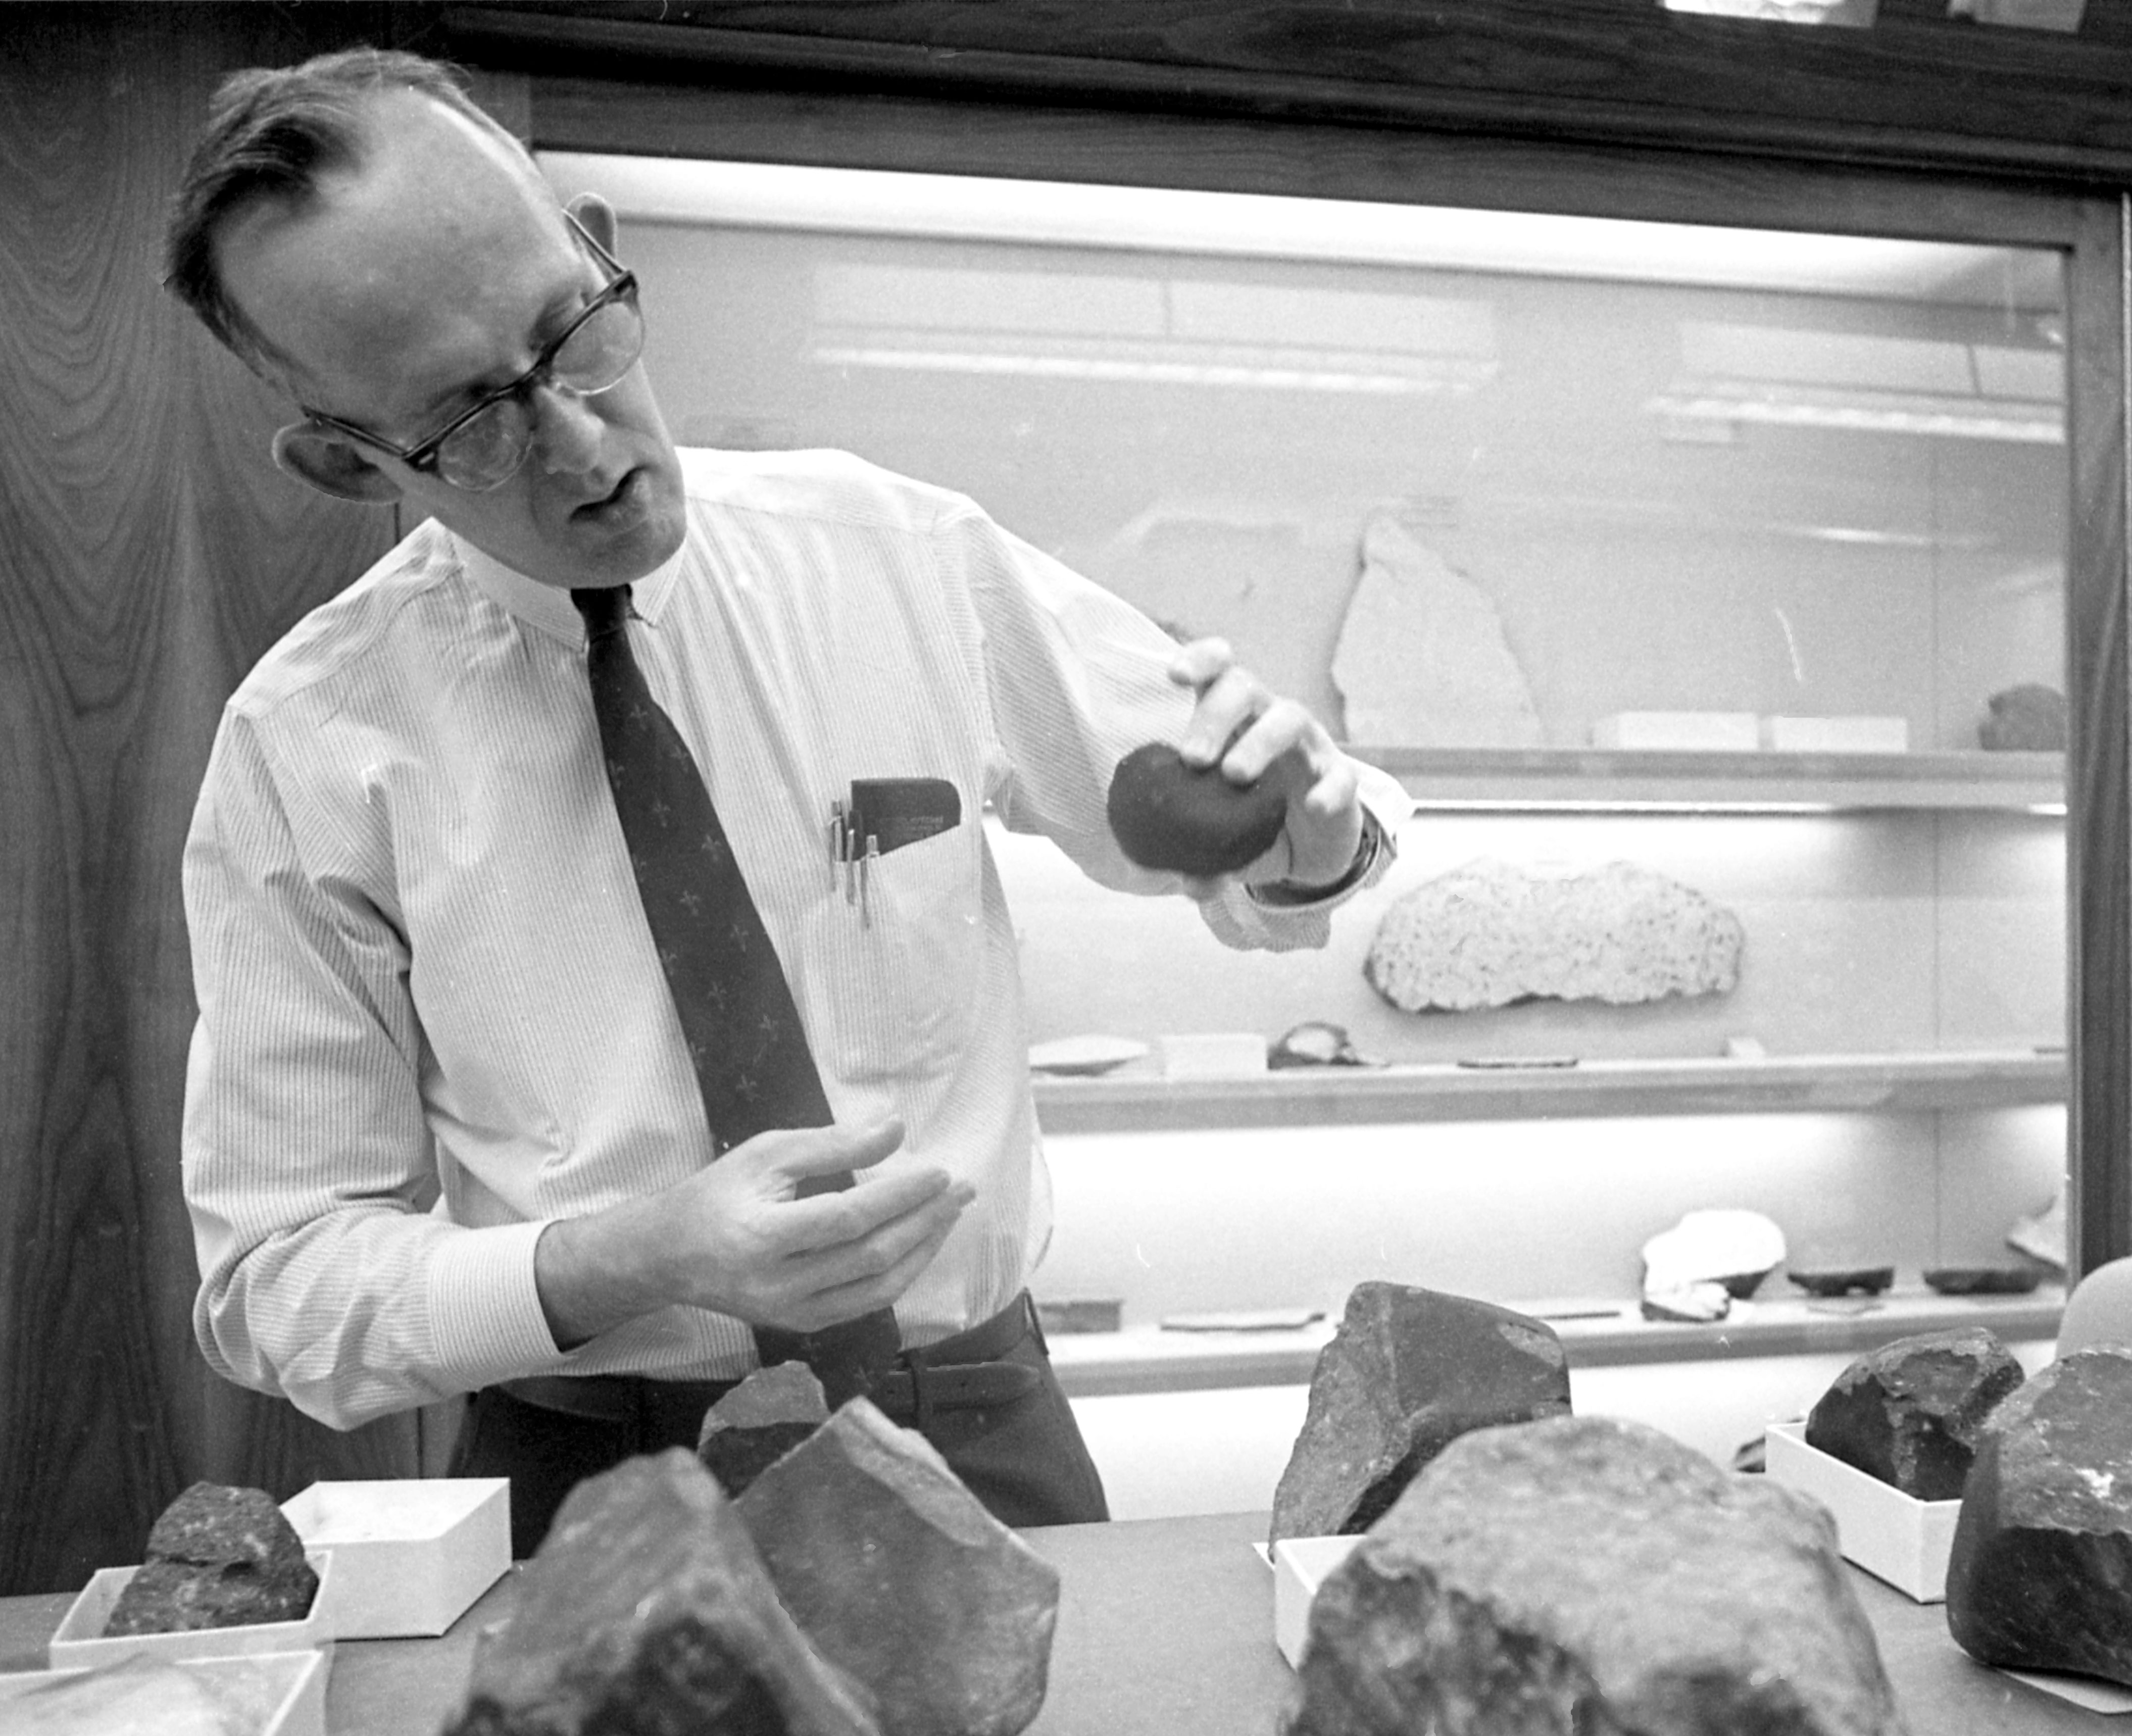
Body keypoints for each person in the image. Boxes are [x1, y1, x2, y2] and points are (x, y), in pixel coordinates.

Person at [164, 48, 1406, 1554]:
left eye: (575, 332)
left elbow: (1261, 844)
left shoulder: (892, 551)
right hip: (603, 1475)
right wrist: (632, 1256)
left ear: (602, 248)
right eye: (469, 421)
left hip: (976, 1420)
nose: (584, 442)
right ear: (345, 461)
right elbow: (279, 1282)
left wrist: (1309, 831)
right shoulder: (306, 746)